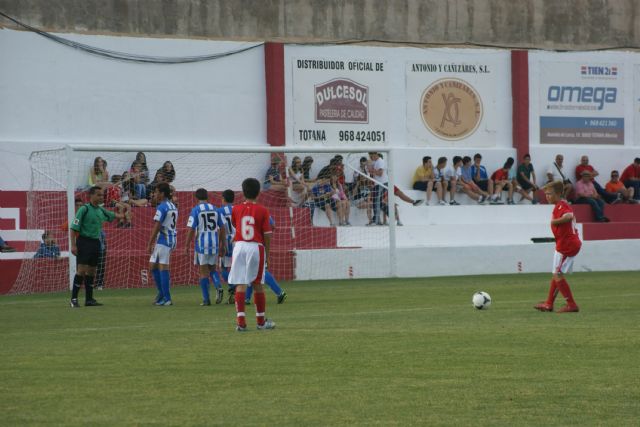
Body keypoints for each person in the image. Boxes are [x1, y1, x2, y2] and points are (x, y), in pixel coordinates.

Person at [228, 177, 276, 331]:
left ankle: (241, 323)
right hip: (255, 247)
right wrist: (267, 254)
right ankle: (261, 322)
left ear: (243, 192)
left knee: (240, 284)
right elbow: (267, 234)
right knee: (257, 285)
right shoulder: (263, 210)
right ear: (258, 193)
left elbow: (236, 225)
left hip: (239, 246)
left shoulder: (235, 209)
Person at [69, 186, 124, 307]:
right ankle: (73, 299)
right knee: (81, 271)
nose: (101, 197)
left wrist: (125, 213)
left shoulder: (101, 210)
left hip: (95, 243)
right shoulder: (84, 209)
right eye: (99, 195)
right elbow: (73, 228)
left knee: (92, 271)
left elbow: (114, 216)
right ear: (91, 195)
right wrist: (73, 245)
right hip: (84, 242)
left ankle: (89, 299)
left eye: (102, 195)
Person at [534, 180, 581, 313]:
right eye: (546, 194)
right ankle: (549, 304)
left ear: (559, 193)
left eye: (550, 194)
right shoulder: (558, 205)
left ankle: (571, 304)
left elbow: (569, 216)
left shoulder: (561, 206)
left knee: (558, 274)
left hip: (567, 245)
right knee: (556, 274)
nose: (547, 196)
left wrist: (555, 221)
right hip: (562, 244)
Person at [184, 188, 226, 306]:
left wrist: (186, 245)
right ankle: (218, 285)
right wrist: (223, 244)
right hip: (214, 243)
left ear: (196, 198)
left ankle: (206, 300)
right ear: (207, 197)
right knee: (212, 269)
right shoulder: (215, 209)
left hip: (202, 244)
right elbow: (222, 227)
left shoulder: (196, 210)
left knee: (203, 272)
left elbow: (191, 229)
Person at [147, 182, 178, 306]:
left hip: (165, 240)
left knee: (162, 267)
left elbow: (157, 225)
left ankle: (167, 298)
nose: (154, 194)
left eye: (156, 192)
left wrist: (150, 242)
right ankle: (161, 294)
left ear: (162, 193)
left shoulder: (162, 207)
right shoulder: (172, 205)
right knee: (152, 266)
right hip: (169, 238)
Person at [245, 217, 287, 305]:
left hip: (252, 245)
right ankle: (247, 298)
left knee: (258, 271)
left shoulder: (248, 212)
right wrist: (265, 234)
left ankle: (279, 292)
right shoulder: (263, 212)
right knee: (252, 271)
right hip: (260, 245)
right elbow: (273, 226)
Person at [218, 189, 238, 304]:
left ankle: (233, 288)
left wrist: (221, 244)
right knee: (237, 267)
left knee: (224, 268)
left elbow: (220, 229)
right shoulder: (237, 209)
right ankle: (237, 293)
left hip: (226, 241)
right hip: (238, 241)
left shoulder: (219, 211)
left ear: (223, 199)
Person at [367, 152, 388, 225]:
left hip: (382, 184)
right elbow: (370, 170)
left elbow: (380, 173)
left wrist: (372, 170)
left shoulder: (380, 161)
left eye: (371, 156)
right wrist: (369, 164)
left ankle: (376, 220)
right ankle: (377, 219)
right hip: (378, 184)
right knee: (376, 202)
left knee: (376, 202)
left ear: (375, 154)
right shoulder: (375, 162)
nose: (370, 158)